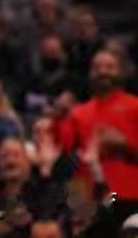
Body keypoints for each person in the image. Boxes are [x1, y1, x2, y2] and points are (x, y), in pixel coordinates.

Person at [56, 49, 138, 227]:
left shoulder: (135, 107)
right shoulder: (78, 113)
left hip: (130, 195)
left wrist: (124, 143)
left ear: (121, 72)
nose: (103, 72)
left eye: (109, 67)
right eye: (97, 67)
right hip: (92, 200)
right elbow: (66, 156)